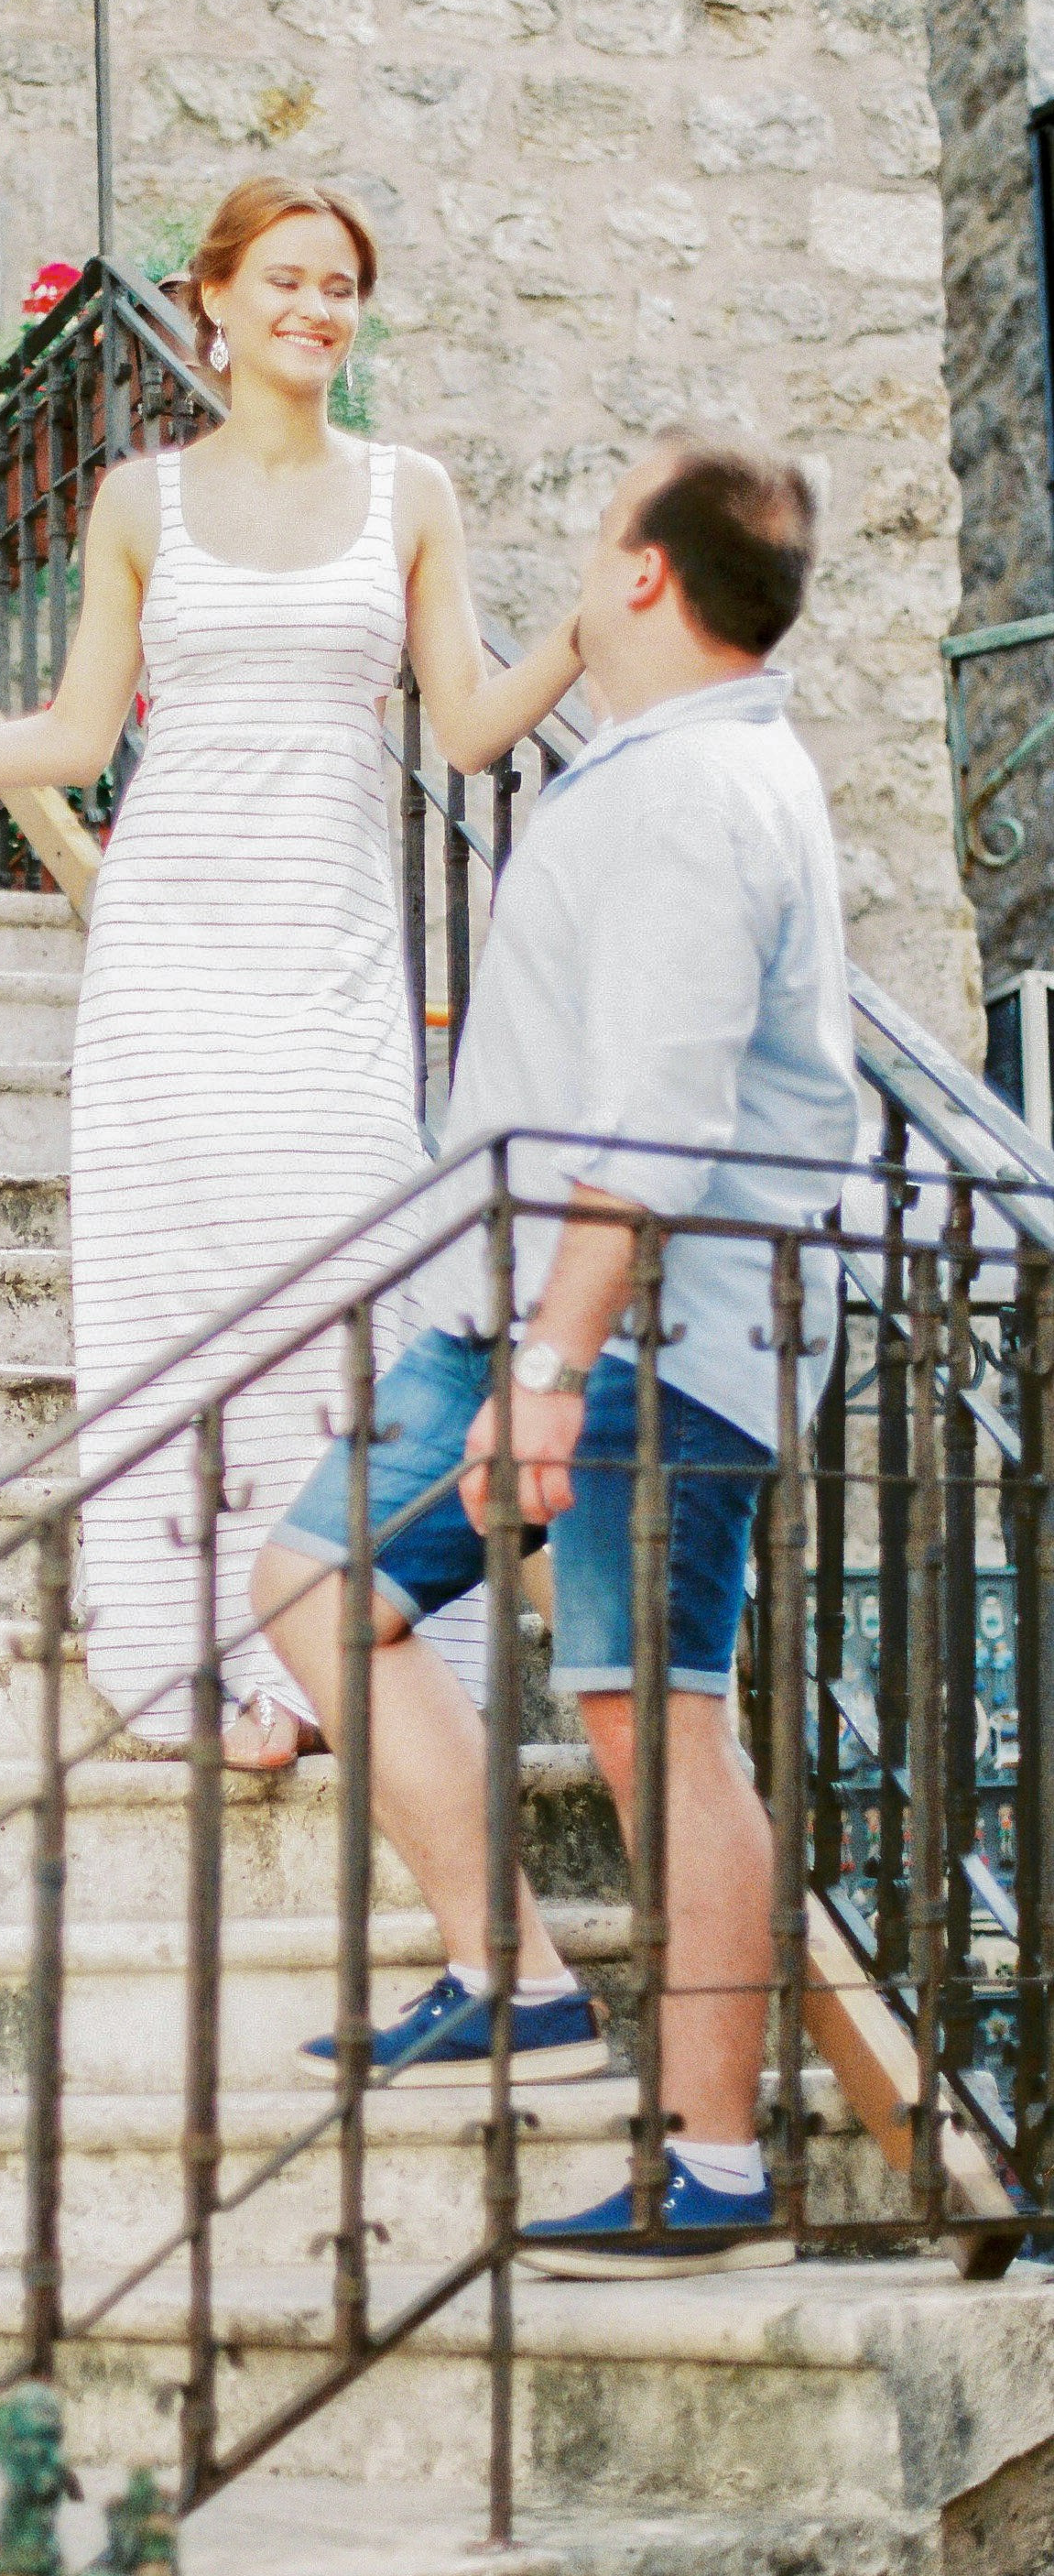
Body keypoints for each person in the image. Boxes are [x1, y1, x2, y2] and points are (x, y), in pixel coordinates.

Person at [0, 175, 584, 1764]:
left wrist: (589, 630)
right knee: (180, 1292)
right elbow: (74, 737)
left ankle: (346, 1646)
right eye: (287, 279)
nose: (315, 308)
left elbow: (467, 727)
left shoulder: (409, 494)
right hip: (171, 944)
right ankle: (218, 1666)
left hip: (326, 945)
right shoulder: (140, 502)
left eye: (340, 286)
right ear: (217, 298)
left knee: (345, 1263)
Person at [252, 428, 856, 2276]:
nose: (586, 566)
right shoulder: (657, 770)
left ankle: (714, 2168)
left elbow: (658, 1127)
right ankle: (507, 1976)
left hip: (643, 1336)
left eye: (599, 537)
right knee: (318, 1583)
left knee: (644, 1717)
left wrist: (550, 1369)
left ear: (642, 575)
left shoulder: (698, 799)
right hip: (514, 1308)